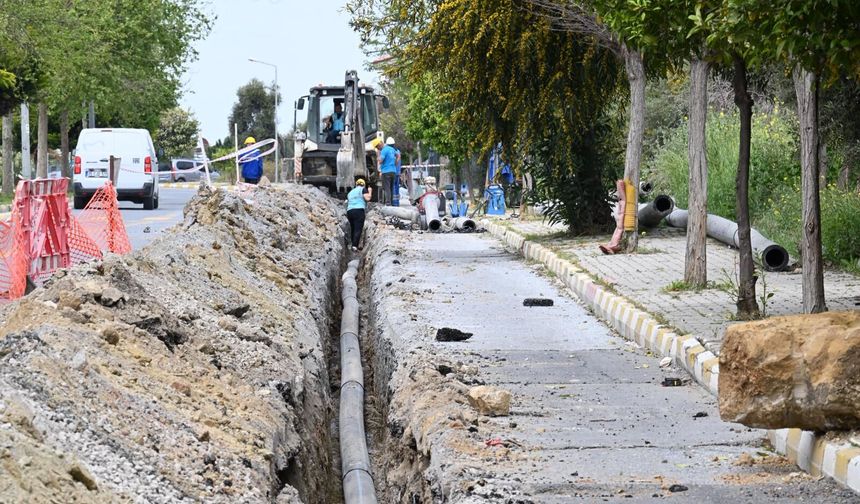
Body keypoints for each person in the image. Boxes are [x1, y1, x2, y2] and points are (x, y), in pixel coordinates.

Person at [346, 178, 372, 251]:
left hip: (349, 211)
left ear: (356, 184)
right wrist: (370, 191)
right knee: (358, 229)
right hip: (359, 211)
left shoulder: (350, 192)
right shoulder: (363, 189)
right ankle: (354, 246)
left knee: (353, 228)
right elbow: (368, 198)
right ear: (363, 185)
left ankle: (353, 244)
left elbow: (347, 202)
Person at [378, 136, 398, 205]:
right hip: (393, 171)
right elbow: (398, 155)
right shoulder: (393, 150)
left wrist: (378, 159)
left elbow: (381, 160)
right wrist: (396, 163)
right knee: (391, 188)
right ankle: (391, 203)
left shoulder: (384, 150)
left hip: (386, 172)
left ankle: (388, 203)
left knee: (386, 188)